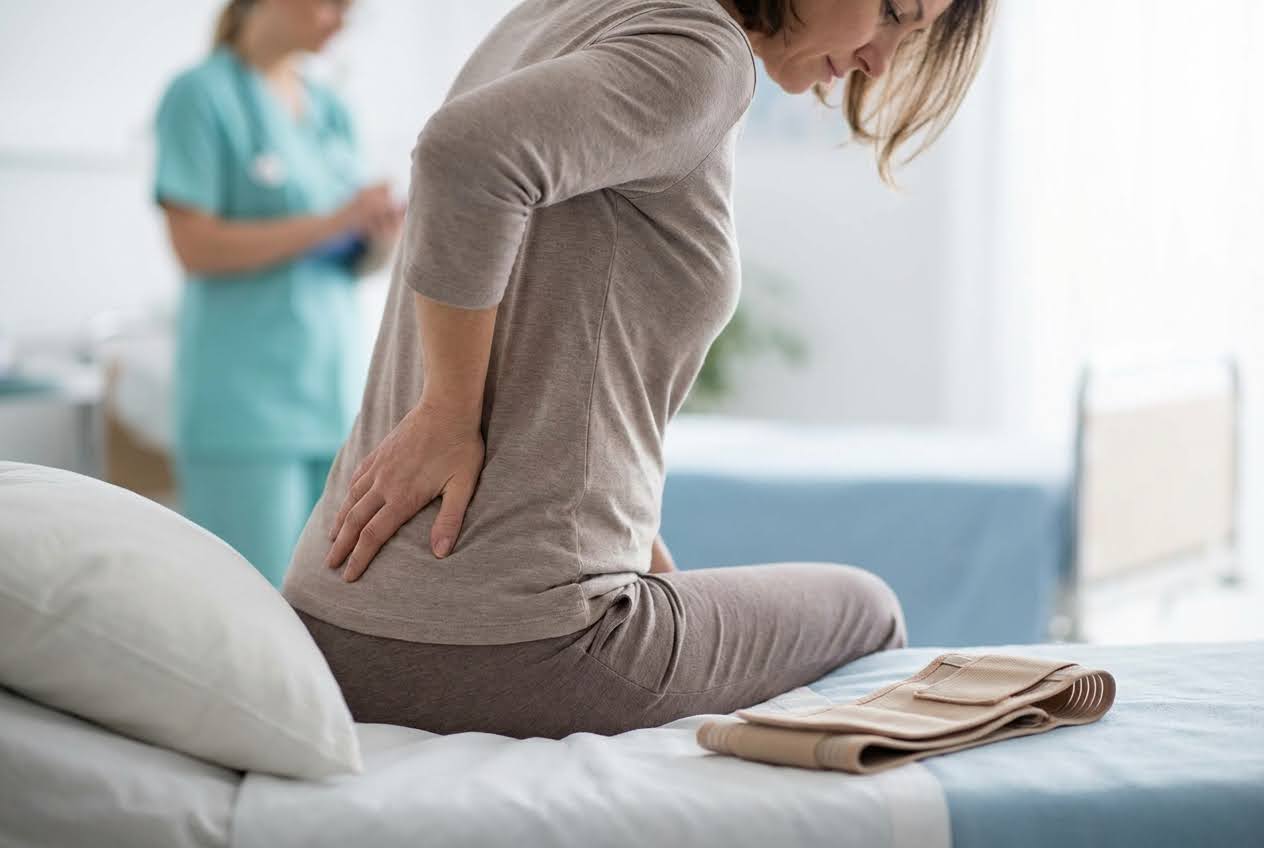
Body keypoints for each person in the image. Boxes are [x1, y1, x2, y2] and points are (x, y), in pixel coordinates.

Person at [282, 0, 994, 738]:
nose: (880, 59)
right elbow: (465, 156)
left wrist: (619, 533)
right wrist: (447, 412)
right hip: (513, 646)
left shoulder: (570, 11)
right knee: (866, 607)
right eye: (893, 12)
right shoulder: (702, 53)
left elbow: (557, 300)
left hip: (337, 626)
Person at [153, 0, 402, 587]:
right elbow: (195, 247)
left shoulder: (330, 109)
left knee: (334, 603)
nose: (341, 21)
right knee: (250, 602)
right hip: (246, 409)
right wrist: (333, 220)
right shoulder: (200, 95)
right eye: (332, 4)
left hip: (332, 397)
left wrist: (382, 236)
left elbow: (351, 259)